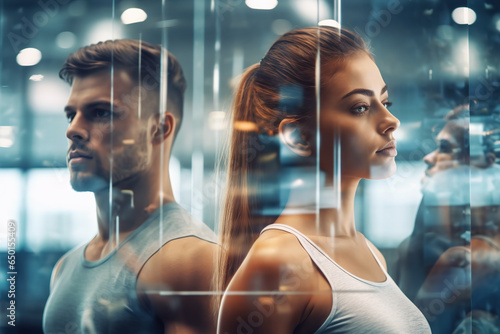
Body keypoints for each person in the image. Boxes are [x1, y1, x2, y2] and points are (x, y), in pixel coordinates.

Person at [217, 26, 431, 333]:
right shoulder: (277, 263)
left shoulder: (371, 253)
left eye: (386, 103)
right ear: (298, 136)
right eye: (360, 107)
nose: (391, 121)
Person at [43, 40, 218, 334]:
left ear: (159, 128)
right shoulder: (65, 267)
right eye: (71, 114)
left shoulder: (189, 259)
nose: (72, 129)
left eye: (101, 112)